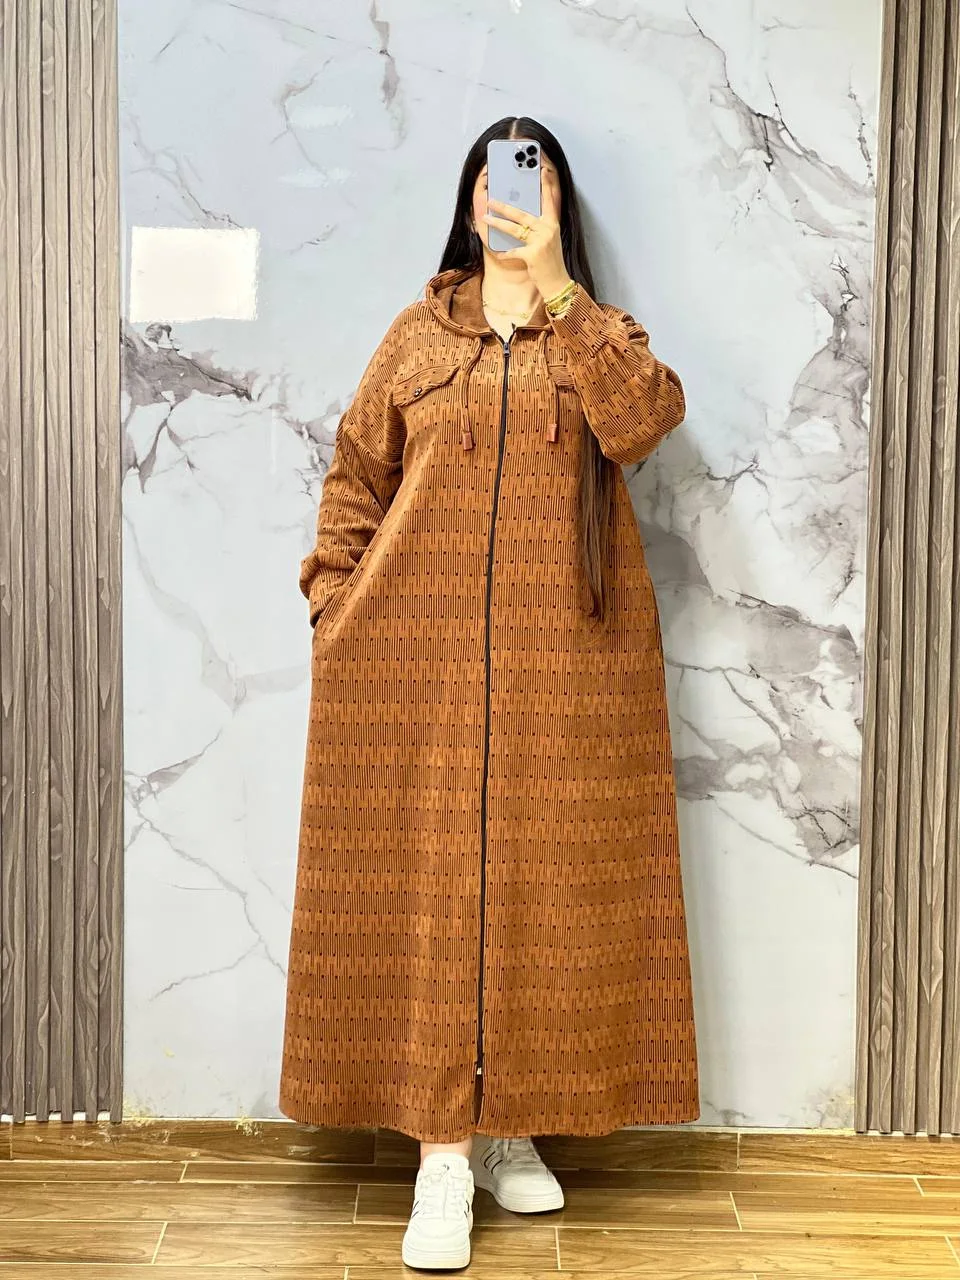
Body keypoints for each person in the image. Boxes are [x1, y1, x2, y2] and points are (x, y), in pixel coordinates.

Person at [278, 116, 700, 1272]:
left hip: (568, 665)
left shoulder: (598, 333)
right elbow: (355, 474)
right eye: (495, 176)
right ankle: (442, 1153)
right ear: (469, 201)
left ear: (558, 204)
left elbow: (645, 423)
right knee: (431, 889)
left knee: (540, 886)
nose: (511, 195)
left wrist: (561, 290)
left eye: (534, 177)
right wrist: (333, 601)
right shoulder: (418, 334)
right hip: (411, 663)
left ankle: (507, 1112)